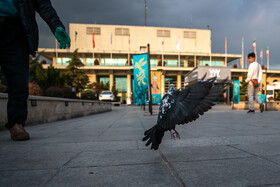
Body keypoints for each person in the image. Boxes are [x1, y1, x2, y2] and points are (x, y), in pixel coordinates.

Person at [0, 0, 70, 141]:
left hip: (15, 29)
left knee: (19, 81)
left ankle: (16, 124)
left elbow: (43, 3)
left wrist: (55, 25)